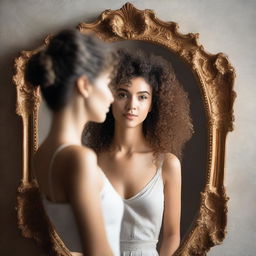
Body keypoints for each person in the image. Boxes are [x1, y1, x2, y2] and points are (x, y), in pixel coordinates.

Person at [83, 49, 194, 256]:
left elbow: (171, 236)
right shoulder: (90, 161)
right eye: (123, 94)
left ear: (153, 104)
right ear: (110, 97)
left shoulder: (168, 164)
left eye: (142, 97)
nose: (132, 105)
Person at [25, 29, 124, 256]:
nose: (111, 96)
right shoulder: (79, 158)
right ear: (84, 85)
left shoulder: (44, 154)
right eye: (107, 82)